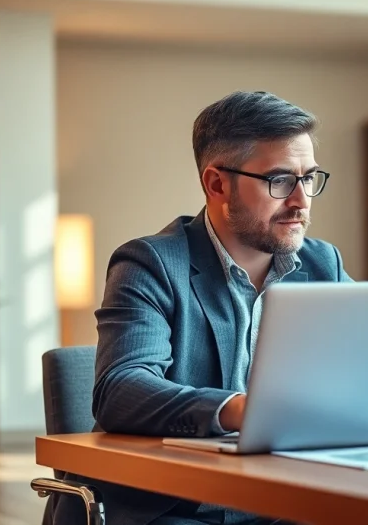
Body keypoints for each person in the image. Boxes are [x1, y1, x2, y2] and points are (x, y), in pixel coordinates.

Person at [52, 91, 350, 525]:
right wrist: (241, 409)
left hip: (282, 497)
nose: (301, 200)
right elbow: (120, 390)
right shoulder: (151, 263)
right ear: (216, 184)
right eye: (280, 180)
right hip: (169, 506)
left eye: (309, 178)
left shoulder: (324, 264)